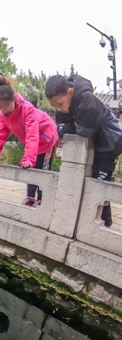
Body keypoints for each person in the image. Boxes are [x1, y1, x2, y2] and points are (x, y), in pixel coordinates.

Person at [45, 74, 122, 227]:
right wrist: (70, 125)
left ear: (70, 92)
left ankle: (104, 224)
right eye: (55, 107)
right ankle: (94, 221)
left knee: (99, 183)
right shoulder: (63, 102)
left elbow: (84, 131)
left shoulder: (87, 100)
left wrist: (69, 126)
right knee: (89, 181)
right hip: (94, 145)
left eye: (60, 104)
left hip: (109, 143)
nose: (59, 109)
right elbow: (61, 129)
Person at [0, 77, 58, 207]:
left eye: (8, 106)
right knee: (30, 169)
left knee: (41, 168)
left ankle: (42, 199)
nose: (5, 110)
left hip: (46, 137)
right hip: (30, 141)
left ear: (14, 99)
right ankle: (30, 197)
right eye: (1, 107)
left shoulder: (28, 109)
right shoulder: (2, 113)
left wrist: (28, 158)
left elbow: (32, 135)